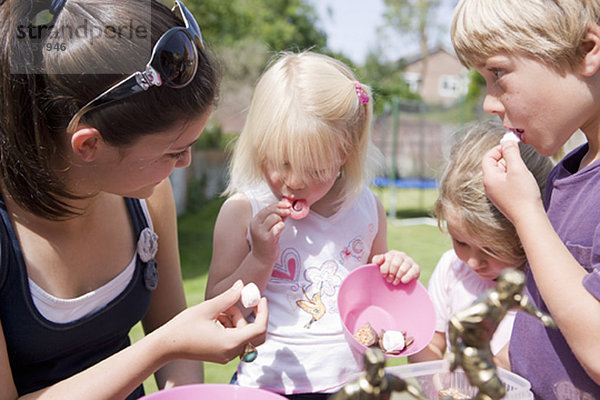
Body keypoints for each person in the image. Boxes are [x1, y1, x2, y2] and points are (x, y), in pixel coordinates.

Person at [0, 1, 268, 399]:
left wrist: (181, 360)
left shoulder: (148, 198)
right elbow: (169, 340)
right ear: (89, 144)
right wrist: (163, 346)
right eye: (173, 151)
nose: (185, 162)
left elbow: (176, 343)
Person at [205, 50, 421, 399]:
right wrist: (260, 256)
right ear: (259, 145)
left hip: (352, 385)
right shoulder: (243, 210)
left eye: (316, 170)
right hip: (267, 383)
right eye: (282, 163)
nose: (294, 182)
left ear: (345, 153)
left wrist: (394, 271)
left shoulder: (367, 210)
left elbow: (373, 297)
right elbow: (217, 308)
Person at [451, 0, 600, 398]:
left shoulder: (535, 201)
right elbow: (545, 324)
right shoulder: (565, 175)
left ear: (587, 51)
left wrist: (525, 212)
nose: (488, 101)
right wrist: (490, 370)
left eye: (498, 73)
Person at [408, 121, 553, 369]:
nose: (474, 262)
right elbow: (432, 344)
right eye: (461, 242)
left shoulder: (545, 286)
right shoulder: (452, 270)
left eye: (492, 249)